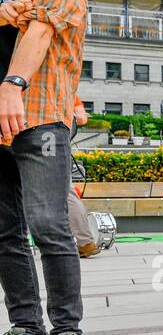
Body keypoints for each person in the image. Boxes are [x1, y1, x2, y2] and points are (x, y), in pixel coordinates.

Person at [0, 0, 90, 335]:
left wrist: (12, 85)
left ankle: (68, 333)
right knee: (4, 230)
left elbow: (40, 27)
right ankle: (26, 330)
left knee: (49, 224)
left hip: (39, 114)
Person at [68, 96, 97, 257]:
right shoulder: (64, 82)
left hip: (38, 137)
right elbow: (81, 117)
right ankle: (85, 241)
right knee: (66, 191)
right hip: (58, 139)